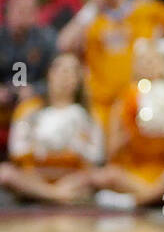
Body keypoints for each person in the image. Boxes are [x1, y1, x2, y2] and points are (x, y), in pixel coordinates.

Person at [58, 0, 164, 127]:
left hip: (142, 99)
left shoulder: (145, 9)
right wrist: (93, 6)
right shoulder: (91, 19)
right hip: (102, 104)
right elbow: (64, 44)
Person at [88, 40, 164, 208]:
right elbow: (110, 151)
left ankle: (136, 200)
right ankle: (160, 196)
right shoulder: (124, 100)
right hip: (133, 172)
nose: (149, 66)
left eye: (154, 61)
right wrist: (133, 129)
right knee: (107, 174)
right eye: (144, 62)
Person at [0, 53, 103, 204]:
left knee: (99, 177)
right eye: (60, 70)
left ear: (79, 80)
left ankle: (46, 195)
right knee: (6, 173)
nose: (65, 77)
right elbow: (17, 149)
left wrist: (73, 146)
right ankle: (58, 195)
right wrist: (41, 148)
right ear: (49, 74)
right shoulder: (29, 109)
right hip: (36, 174)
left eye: (71, 72)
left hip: (73, 176)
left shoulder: (89, 114)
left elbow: (96, 155)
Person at [0, 0, 58, 132]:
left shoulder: (47, 38)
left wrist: (35, 89)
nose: (24, 15)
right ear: (6, 12)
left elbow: (57, 77)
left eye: (30, 10)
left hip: (35, 103)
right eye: (19, 10)